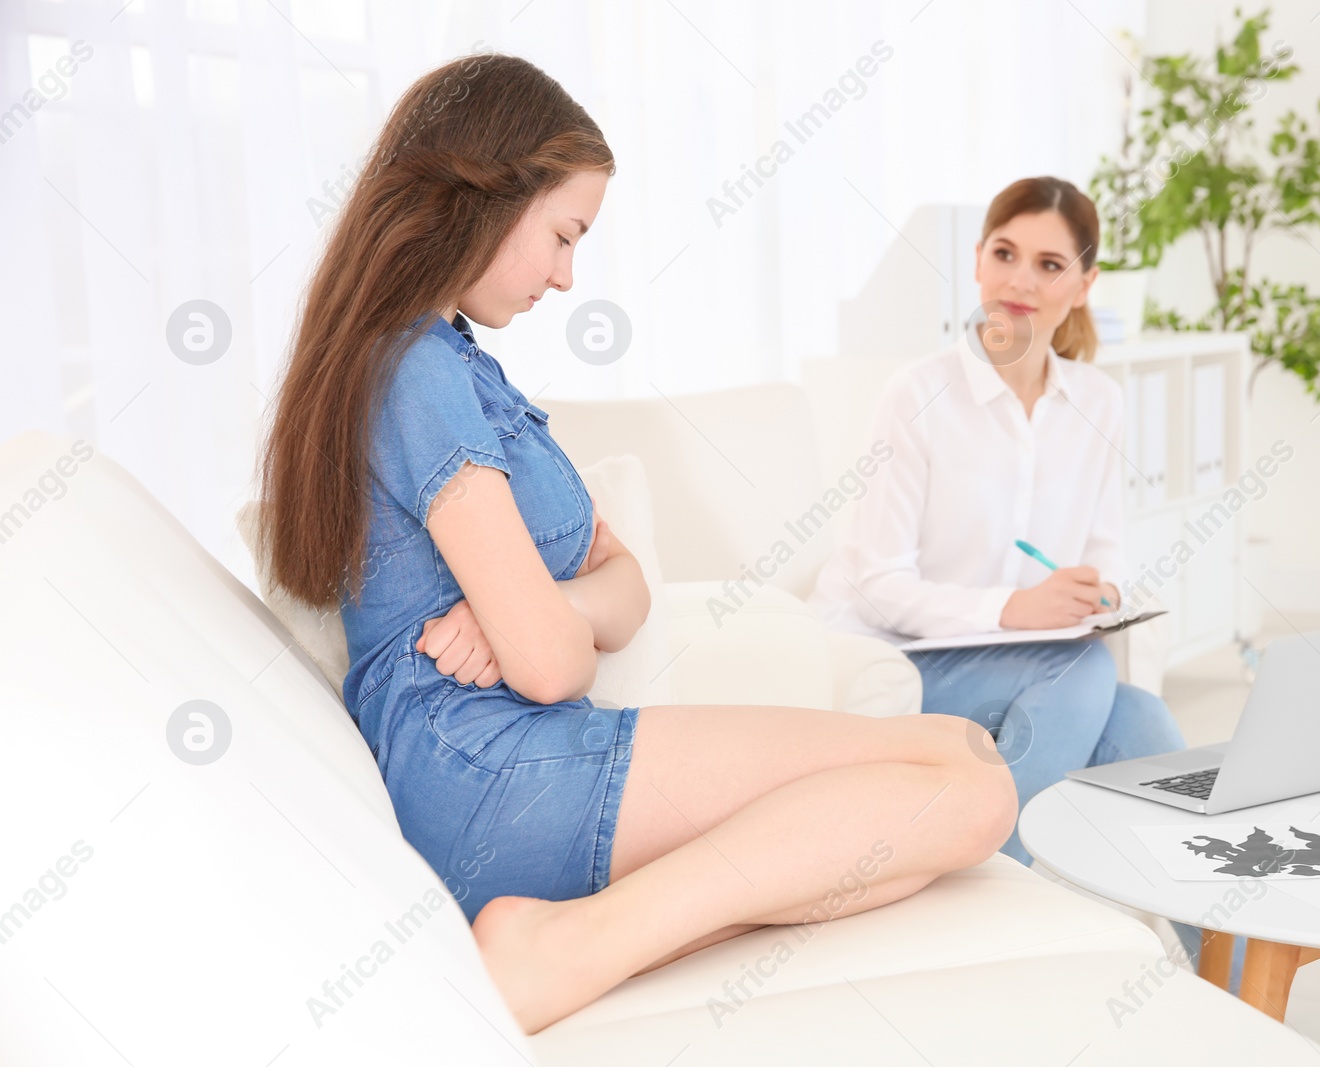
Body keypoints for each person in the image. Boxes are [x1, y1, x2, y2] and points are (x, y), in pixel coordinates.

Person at [252, 52, 1016, 1035]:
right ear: (484, 195)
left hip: (502, 753)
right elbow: (552, 666)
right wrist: (551, 616)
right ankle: (563, 950)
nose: (567, 277)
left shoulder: (455, 364)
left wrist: (548, 601)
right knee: (969, 792)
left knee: (960, 754)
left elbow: (623, 587)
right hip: (487, 763)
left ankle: (584, 930)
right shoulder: (416, 375)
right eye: (563, 235)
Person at [807, 176, 1189, 868]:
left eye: (1049, 265)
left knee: (1145, 722)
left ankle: (1233, 968)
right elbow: (878, 586)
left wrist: (1101, 593)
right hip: (895, 656)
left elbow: (1108, 552)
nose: (1020, 279)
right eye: (1006, 254)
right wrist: (1014, 609)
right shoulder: (917, 394)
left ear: (1084, 283)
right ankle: (990, 878)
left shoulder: (1099, 403)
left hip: (1026, 662)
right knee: (1082, 666)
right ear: (979, 258)